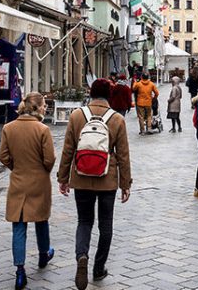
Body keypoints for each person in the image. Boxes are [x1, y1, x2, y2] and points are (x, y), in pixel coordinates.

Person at [58, 79, 131, 290]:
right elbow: (124, 155)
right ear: (109, 94)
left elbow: (68, 149)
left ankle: (82, 257)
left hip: (81, 176)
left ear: (91, 93)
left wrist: (63, 178)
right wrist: (125, 184)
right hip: (107, 179)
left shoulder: (77, 115)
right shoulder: (117, 119)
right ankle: (99, 268)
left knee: (84, 221)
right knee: (105, 224)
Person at [0, 92, 56, 289]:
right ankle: (43, 253)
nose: (46, 107)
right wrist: (41, 170)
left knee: (19, 225)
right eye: (44, 105)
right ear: (37, 107)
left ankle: (20, 271)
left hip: (18, 181)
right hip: (39, 181)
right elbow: (49, 159)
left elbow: (3, 156)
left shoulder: (8, 128)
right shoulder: (42, 129)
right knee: (41, 219)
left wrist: (17, 167)